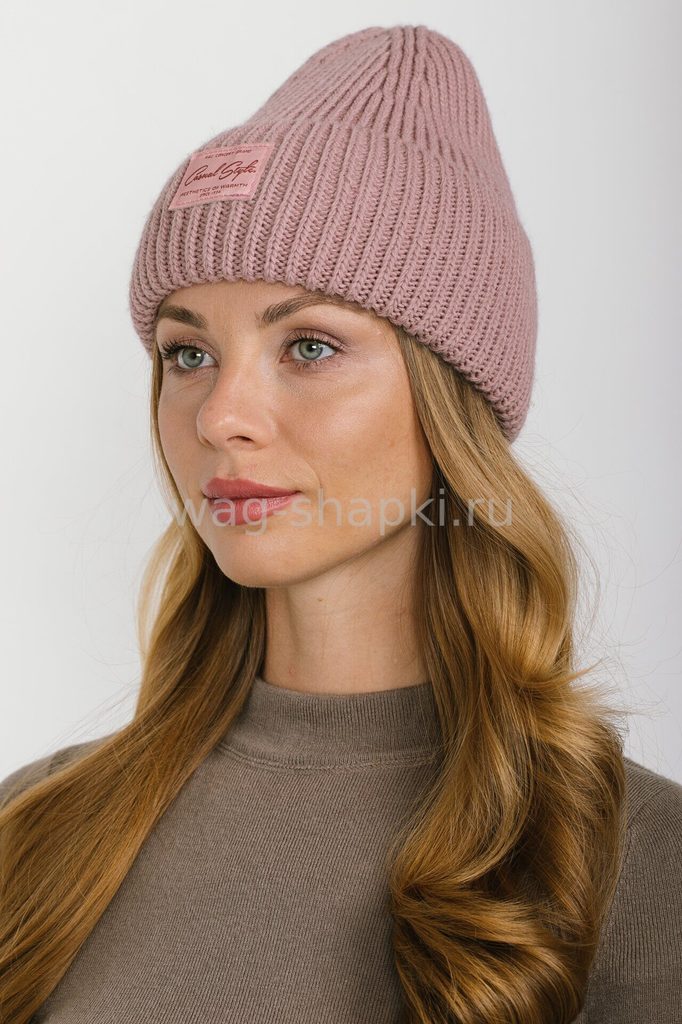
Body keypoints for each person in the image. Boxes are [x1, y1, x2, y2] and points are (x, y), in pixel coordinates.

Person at [1, 23, 680, 1024]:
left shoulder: (633, 865)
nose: (220, 416)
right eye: (188, 354)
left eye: (309, 346)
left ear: (450, 398)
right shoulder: (33, 831)